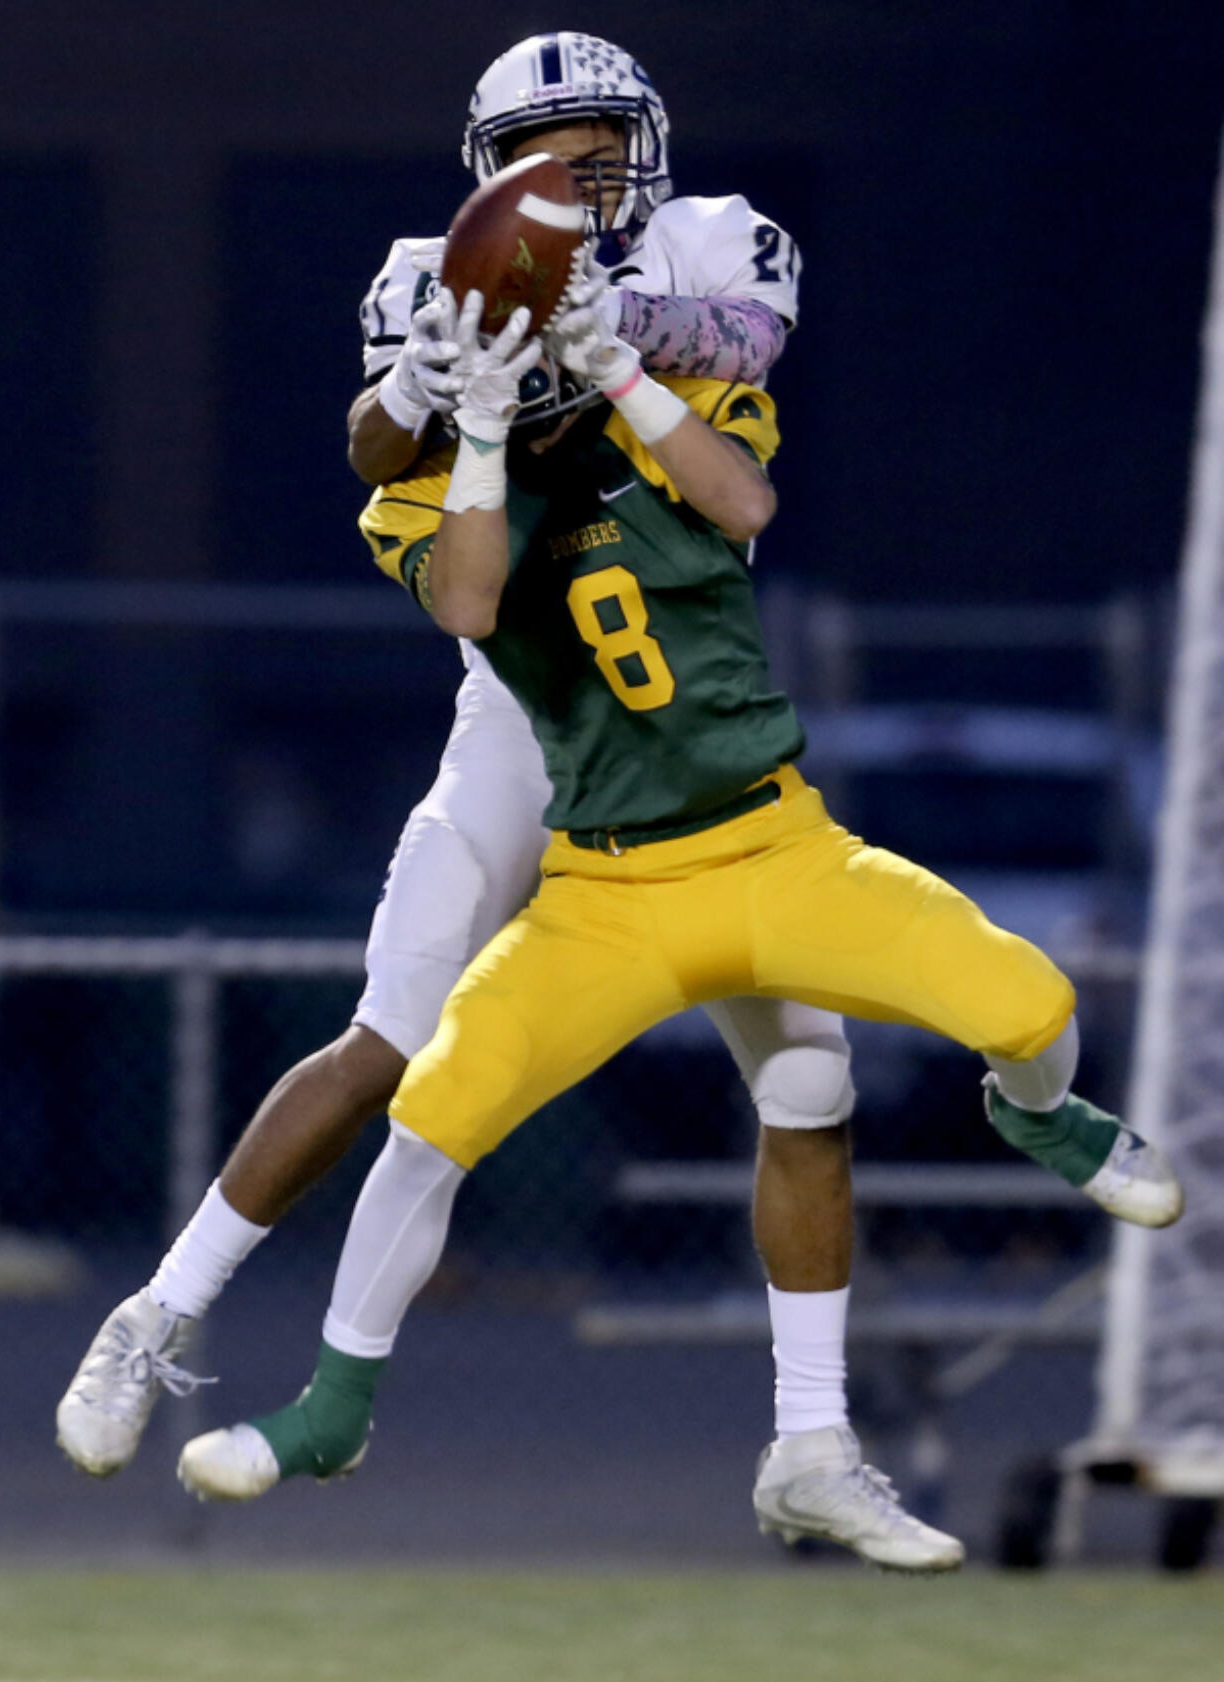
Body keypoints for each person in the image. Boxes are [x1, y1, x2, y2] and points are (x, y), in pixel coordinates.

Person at [167, 87, 1184, 1542]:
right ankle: (330, 1407)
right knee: (434, 1110)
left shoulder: (672, 409)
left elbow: (743, 494)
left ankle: (1034, 1130)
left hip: (766, 844)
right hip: (601, 881)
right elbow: (457, 586)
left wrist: (614, 364)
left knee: (1020, 1006)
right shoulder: (452, 498)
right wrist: (469, 428)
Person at [56, 34, 966, 1573]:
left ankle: (811, 1440)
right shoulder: (431, 270)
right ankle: (158, 1312)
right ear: (486, 172)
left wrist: (600, 320)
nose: (583, 175)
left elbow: (740, 343)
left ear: (650, 144)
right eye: (547, 151)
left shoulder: (705, 239)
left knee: (809, 1087)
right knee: (382, 1047)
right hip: (526, 721)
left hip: (690, 741)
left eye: (601, 142)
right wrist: (424, 376)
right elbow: (370, 449)